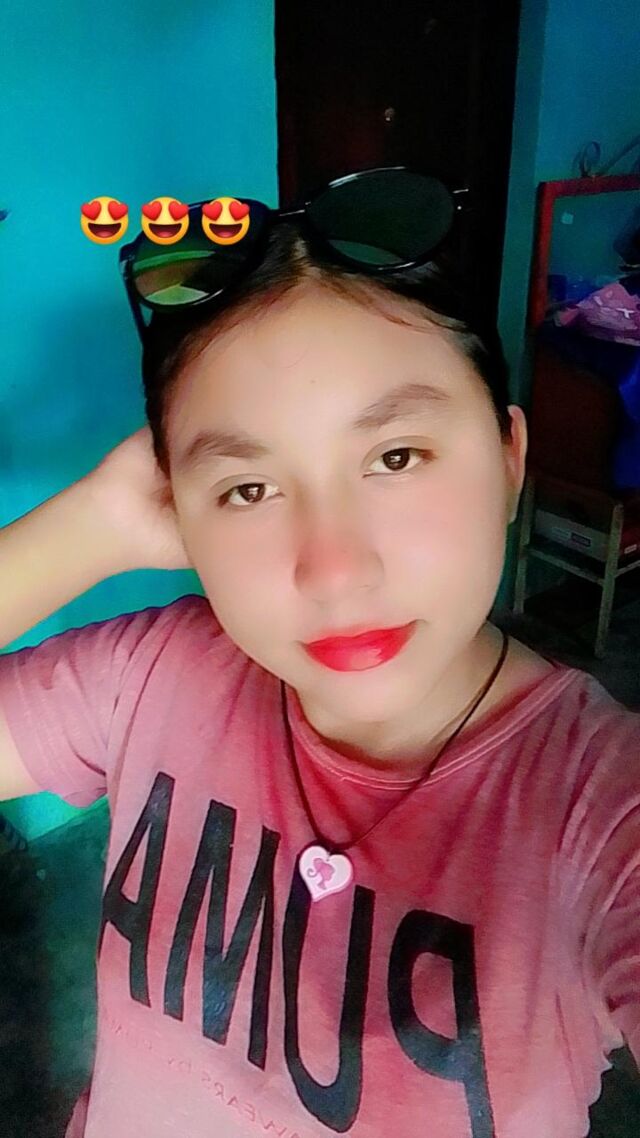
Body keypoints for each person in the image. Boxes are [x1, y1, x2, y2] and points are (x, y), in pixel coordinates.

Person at [0, 169, 638, 1138]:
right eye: (247, 489)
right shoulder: (152, 679)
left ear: (509, 457)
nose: (335, 572)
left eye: (396, 457)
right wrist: (93, 524)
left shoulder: (603, 808)